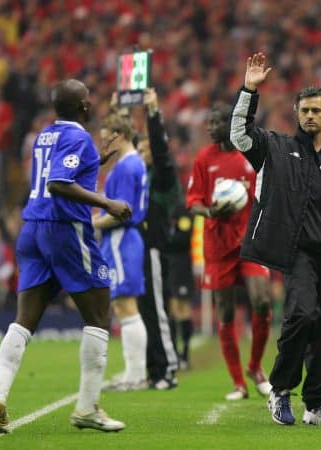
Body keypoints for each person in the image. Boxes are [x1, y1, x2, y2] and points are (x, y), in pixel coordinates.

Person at [230, 53, 321, 426]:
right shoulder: (278, 148)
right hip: (297, 252)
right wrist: (249, 89)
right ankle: (280, 391)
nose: (309, 116)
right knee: (302, 314)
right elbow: (239, 135)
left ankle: (317, 404)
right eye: (303, 110)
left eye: (315, 110)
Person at [0, 78, 130, 434]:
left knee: (24, 318)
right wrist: (107, 201)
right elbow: (58, 183)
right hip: (63, 229)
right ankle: (87, 408)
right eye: (88, 99)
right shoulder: (77, 137)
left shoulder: (45, 135)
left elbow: (58, 172)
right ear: (82, 107)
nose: (91, 103)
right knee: (98, 314)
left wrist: (96, 162)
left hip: (32, 230)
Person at [187, 102, 273, 401]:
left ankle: (255, 367)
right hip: (218, 246)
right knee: (224, 312)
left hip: (250, 242)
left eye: (215, 122)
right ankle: (238, 382)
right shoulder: (203, 159)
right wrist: (211, 211)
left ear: (229, 124)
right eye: (208, 122)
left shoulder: (249, 156)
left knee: (261, 300)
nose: (210, 127)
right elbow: (194, 201)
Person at [93, 113, 149, 391]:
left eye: (106, 139)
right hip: (122, 240)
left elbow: (122, 213)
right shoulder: (129, 164)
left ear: (120, 135)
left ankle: (136, 375)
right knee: (122, 305)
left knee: (126, 305)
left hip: (121, 239)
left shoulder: (127, 168)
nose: (104, 146)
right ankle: (133, 372)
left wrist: (93, 222)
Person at [134, 88, 180, 390]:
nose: (140, 154)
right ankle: (153, 369)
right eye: (138, 150)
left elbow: (162, 154)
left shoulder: (163, 176)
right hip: (137, 250)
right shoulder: (139, 177)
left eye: (145, 149)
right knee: (145, 310)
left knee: (158, 309)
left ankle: (168, 369)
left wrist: (153, 114)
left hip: (153, 249)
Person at [165, 200, 195, 370]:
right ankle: (174, 353)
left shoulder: (182, 209)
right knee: (171, 309)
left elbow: (184, 238)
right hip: (167, 264)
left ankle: (185, 353)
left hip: (182, 264)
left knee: (182, 308)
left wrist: (164, 239)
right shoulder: (160, 206)